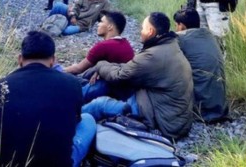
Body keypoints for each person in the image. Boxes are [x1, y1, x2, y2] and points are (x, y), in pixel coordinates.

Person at [0, 31, 96, 167]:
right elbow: (76, 120)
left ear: (20, 59)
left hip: (8, 163)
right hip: (59, 163)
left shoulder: (1, 86)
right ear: (53, 60)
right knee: (88, 119)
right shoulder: (72, 83)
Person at [82, 12, 194, 140]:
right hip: (168, 112)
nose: (140, 31)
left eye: (142, 28)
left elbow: (119, 75)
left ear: (150, 31)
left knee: (100, 104)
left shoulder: (153, 55)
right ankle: (74, 100)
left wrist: (101, 64)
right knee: (106, 82)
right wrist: (105, 68)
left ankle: (67, 119)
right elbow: (129, 69)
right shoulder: (170, 46)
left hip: (161, 121)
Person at [173, 8, 229, 123]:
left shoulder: (180, 38)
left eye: (176, 25)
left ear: (181, 26)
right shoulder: (210, 35)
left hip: (200, 107)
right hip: (220, 105)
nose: (175, 29)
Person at [65, 10, 135, 75]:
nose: (98, 24)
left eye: (101, 22)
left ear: (110, 27)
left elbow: (78, 69)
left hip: (108, 86)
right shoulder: (126, 44)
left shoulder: (104, 46)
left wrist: (57, 70)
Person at [47, 0, 112, 36]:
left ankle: (59, 26)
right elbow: (76, 7)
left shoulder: (105, 2)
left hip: (83, 25)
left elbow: (103, 18)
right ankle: (46, 24)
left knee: (65, 31)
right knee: (58, 5)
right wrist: (73, 16)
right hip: (73, 17)